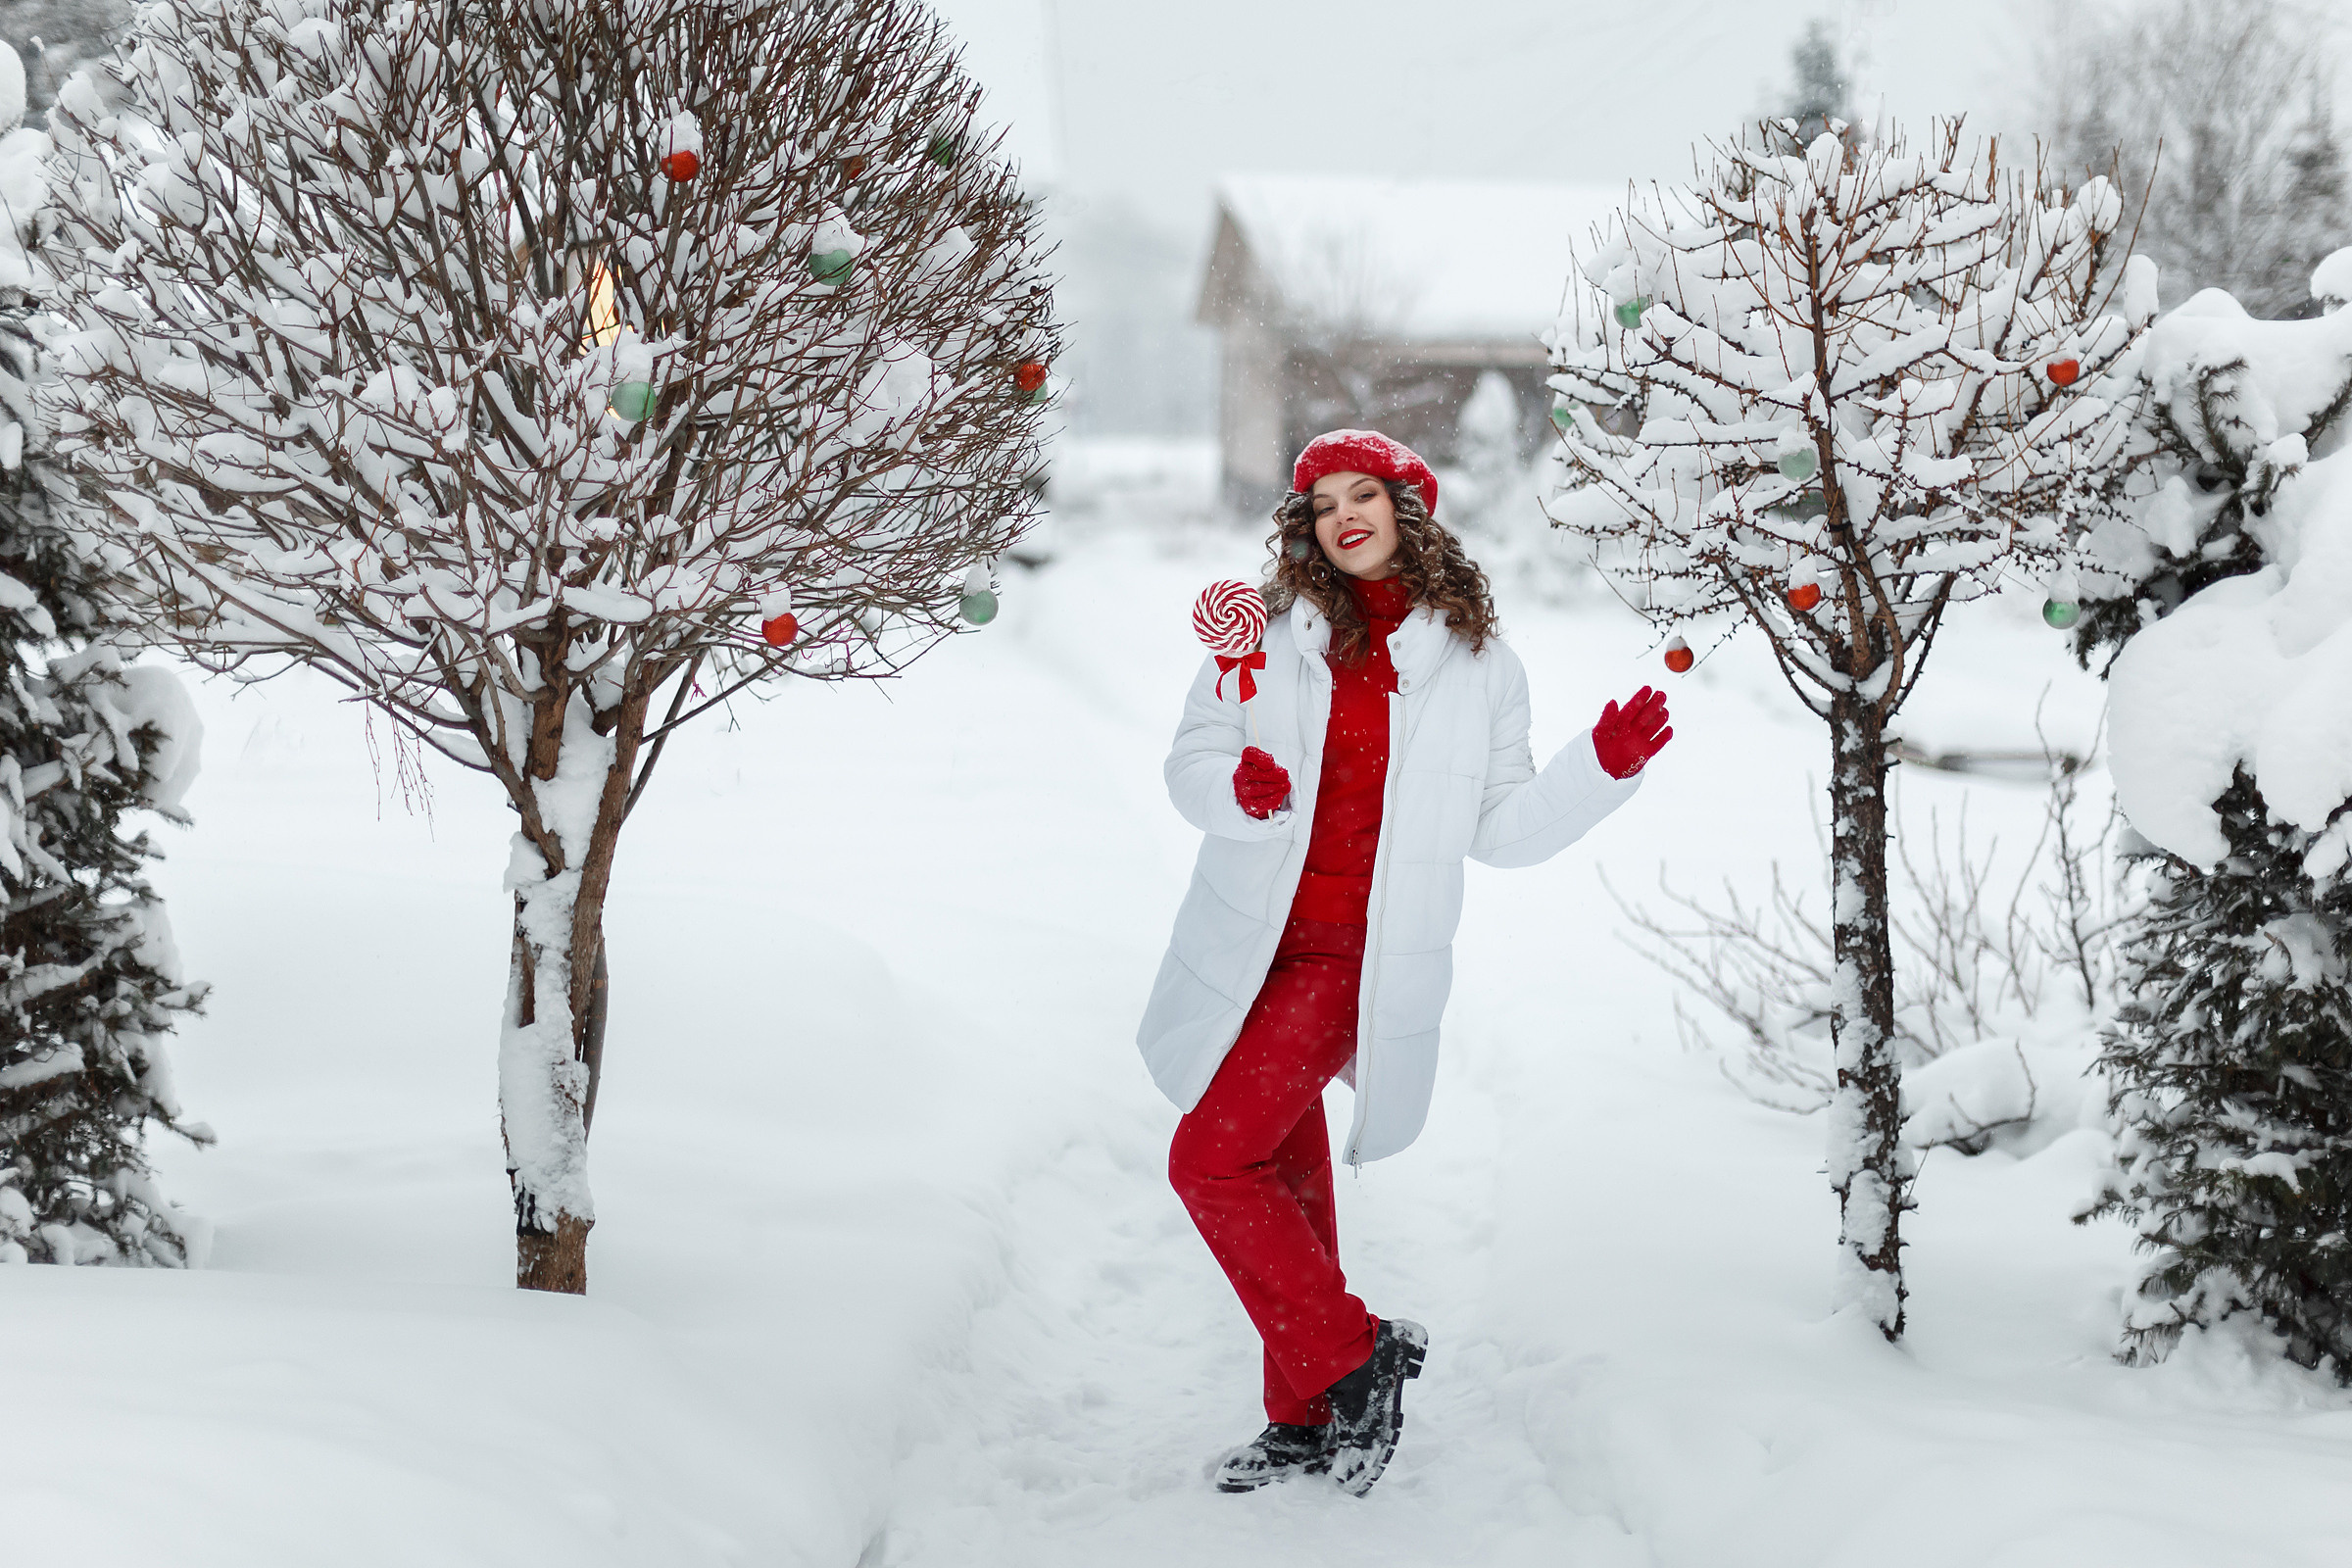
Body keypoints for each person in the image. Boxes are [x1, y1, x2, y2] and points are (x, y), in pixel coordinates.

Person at [1135, 429, 1673, 1497]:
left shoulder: (1478, 665)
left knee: (1208, 1161)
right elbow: (1190, 758)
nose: (1344, 515)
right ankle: (1305, 1411)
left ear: (1407, 509)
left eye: (1364, 495)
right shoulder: (1267, 637)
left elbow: (1504, 826)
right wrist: (1231, 788)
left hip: (1355, 959)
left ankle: (1357, 1355)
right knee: (1283, 1174)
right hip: (1250, 940)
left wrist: (1596, 770)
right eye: (1323, 499)